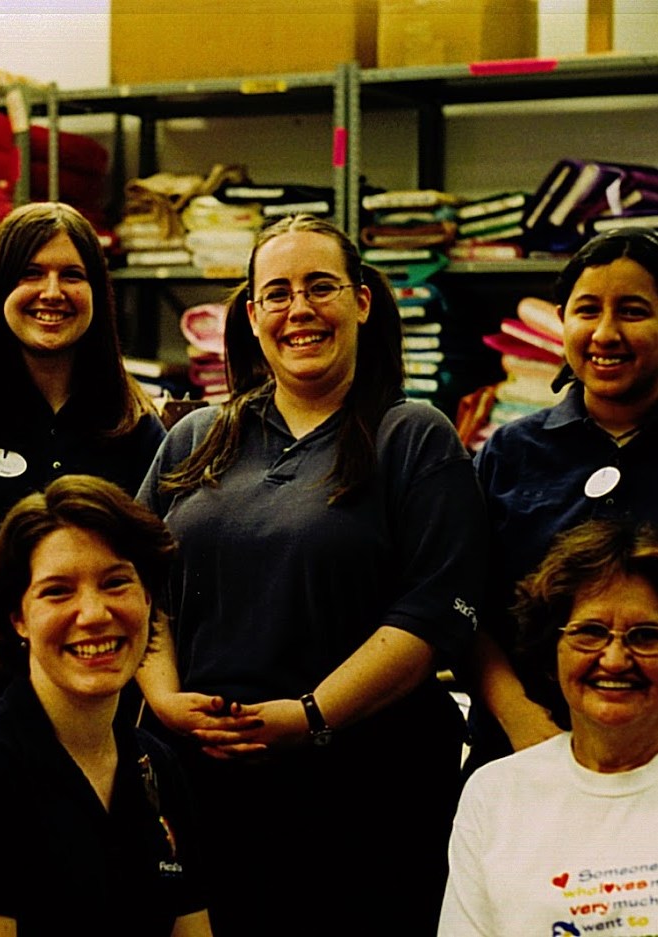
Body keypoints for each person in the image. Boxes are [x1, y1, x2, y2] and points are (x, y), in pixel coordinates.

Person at [137, 213, 488, 936]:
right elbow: (134, 584)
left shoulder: (413, 435)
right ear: (252, 314)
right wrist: (166, 701)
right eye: (277, 293)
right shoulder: (196, 437)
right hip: (202, 789)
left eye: (320, 287)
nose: (298, 309)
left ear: (361, 302)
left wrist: (310, 716)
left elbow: (434, 611)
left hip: (363, 797)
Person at [0, 474, 212, 937]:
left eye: (116, 583)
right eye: (58, 591)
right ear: (18, 618)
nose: (94, 614)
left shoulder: (157, 766)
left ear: (148, 599)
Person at [0, 201, 165, 724]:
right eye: (30, 274)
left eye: (72, 275)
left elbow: (165, 585)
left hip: (105, 709)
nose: (52, 292)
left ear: (97, 293)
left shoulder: (133, 425)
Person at [467, 226, 658, 771]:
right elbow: (461, 605)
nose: (605, 333)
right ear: (562, 319)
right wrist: (524, 725)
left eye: (633, 312)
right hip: (518, 754)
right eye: (587, 310)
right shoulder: (509, 451)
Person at [439, 517, 658, 937]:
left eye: (645, 636)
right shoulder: (495, 795)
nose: (615, 660)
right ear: (552, 648)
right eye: (590, 632)